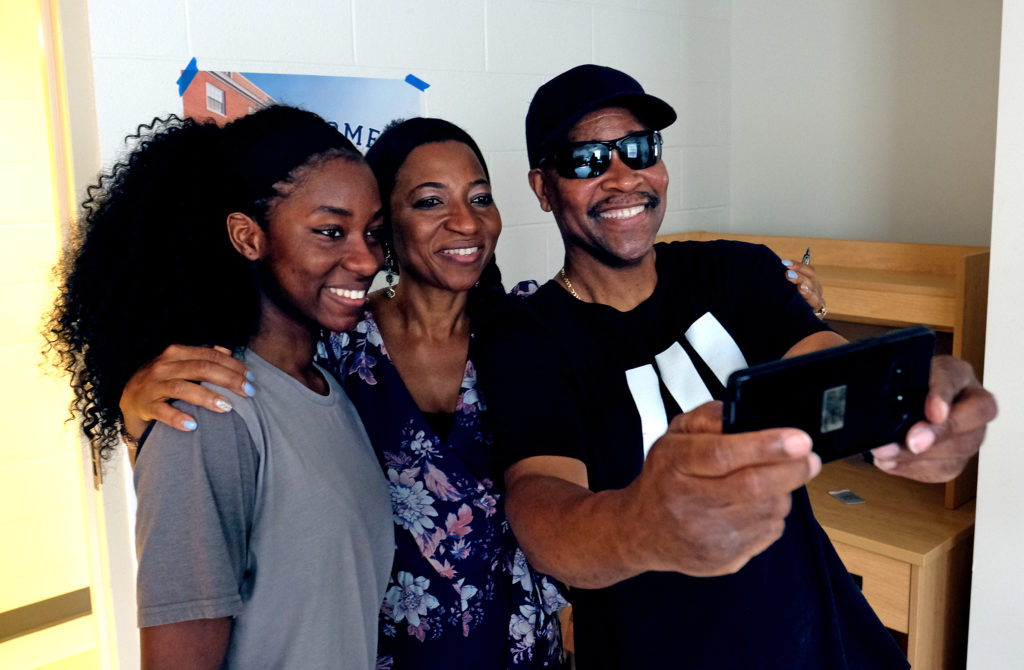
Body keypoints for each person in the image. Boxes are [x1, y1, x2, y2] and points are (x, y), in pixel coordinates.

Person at [475, 64, 998, 669]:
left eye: (639, 149)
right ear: (543, 187)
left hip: (818, 637)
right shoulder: (528, 338)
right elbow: (543, 505)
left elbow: (826, 367)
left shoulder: (733, 272)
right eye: (587, 160)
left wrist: (914, 402)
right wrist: (641, 524)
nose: (623, 178)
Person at [118, 117, 567, 669]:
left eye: (480, 197)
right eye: (429, 201)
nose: (464, 221)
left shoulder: (527, 336)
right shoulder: (338, 351)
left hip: (519, 649)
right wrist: (140, 420)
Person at [45, 106, 393, 669]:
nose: (366, 258)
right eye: (331, 232)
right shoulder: (208, 411)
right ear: (248, 237)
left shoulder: (329, 389)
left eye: (372, 233)